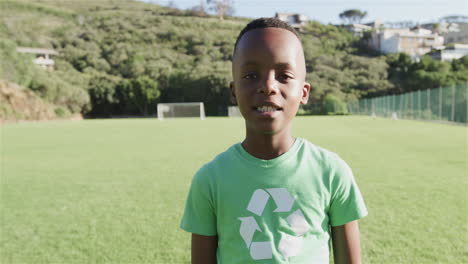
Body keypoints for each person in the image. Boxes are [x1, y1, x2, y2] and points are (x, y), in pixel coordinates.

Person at [180, 17, 368, 264]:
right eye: (250, 75)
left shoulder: (332, 172)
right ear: (233, 90)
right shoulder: (210, 180)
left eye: (284, 75)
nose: (268, 86)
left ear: (304, 92)